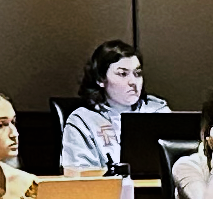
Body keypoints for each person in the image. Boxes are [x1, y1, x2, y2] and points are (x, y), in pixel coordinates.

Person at [58, 39, 160, 177]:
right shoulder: (83, 120)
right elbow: (77, 175)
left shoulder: (158, 111)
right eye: (123, 74)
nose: (133, 82)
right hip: (106, 194)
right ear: (100, 79)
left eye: (137, 73)